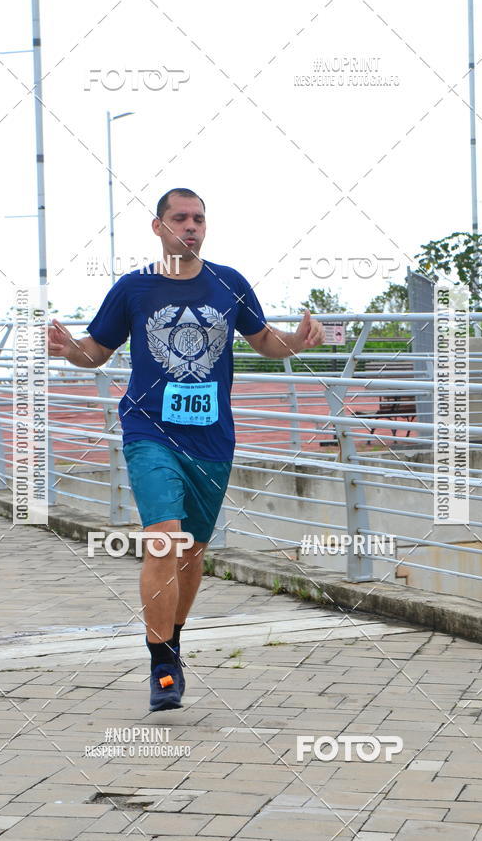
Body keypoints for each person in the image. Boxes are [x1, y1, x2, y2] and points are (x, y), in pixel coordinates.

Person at [48, 188, 325, 711]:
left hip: (213, 437)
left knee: (193, 551)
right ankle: (161, 666)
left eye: (199, 218)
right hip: (149, 430)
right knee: (164, 541)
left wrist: (298, 341)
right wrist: (69, 351)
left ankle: (172, 640)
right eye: (180, 218)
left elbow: (264, 340)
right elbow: (97, 350)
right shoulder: (133, 288)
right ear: (159, 227)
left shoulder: (229, 282)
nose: (191, 226)